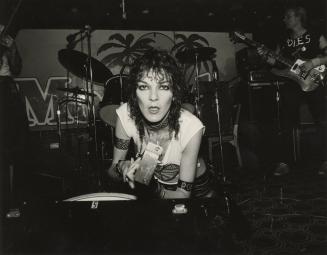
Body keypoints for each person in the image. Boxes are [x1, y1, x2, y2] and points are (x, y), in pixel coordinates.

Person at [107, 49, 214, 199]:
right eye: (144, 87)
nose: (153, 97)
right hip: (150, 177)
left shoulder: (191, 127)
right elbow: (112, 169)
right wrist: (121, 167)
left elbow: (183, 194)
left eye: (163, 87)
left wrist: (154, 190)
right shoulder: (126, 115)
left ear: (175, 93)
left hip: (195, 187)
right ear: (134, 92)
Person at [258, 6, 327, 175]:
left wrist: (312, 62)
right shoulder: (283, 40)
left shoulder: (315, 34)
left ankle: (325, 161)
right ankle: (284, 163)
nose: (284, 19)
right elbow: (277, 63)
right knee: (286, 121)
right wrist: (266, 57)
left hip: (315, 80)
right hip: (292, 83)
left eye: (288, 16)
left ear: (298, 18)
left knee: (322, 120)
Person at [0, 24, 28, 208]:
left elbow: (16, 69)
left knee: (16, 146)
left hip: (8, 91)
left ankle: (14, 200)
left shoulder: (6, 42)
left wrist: (13, 47)